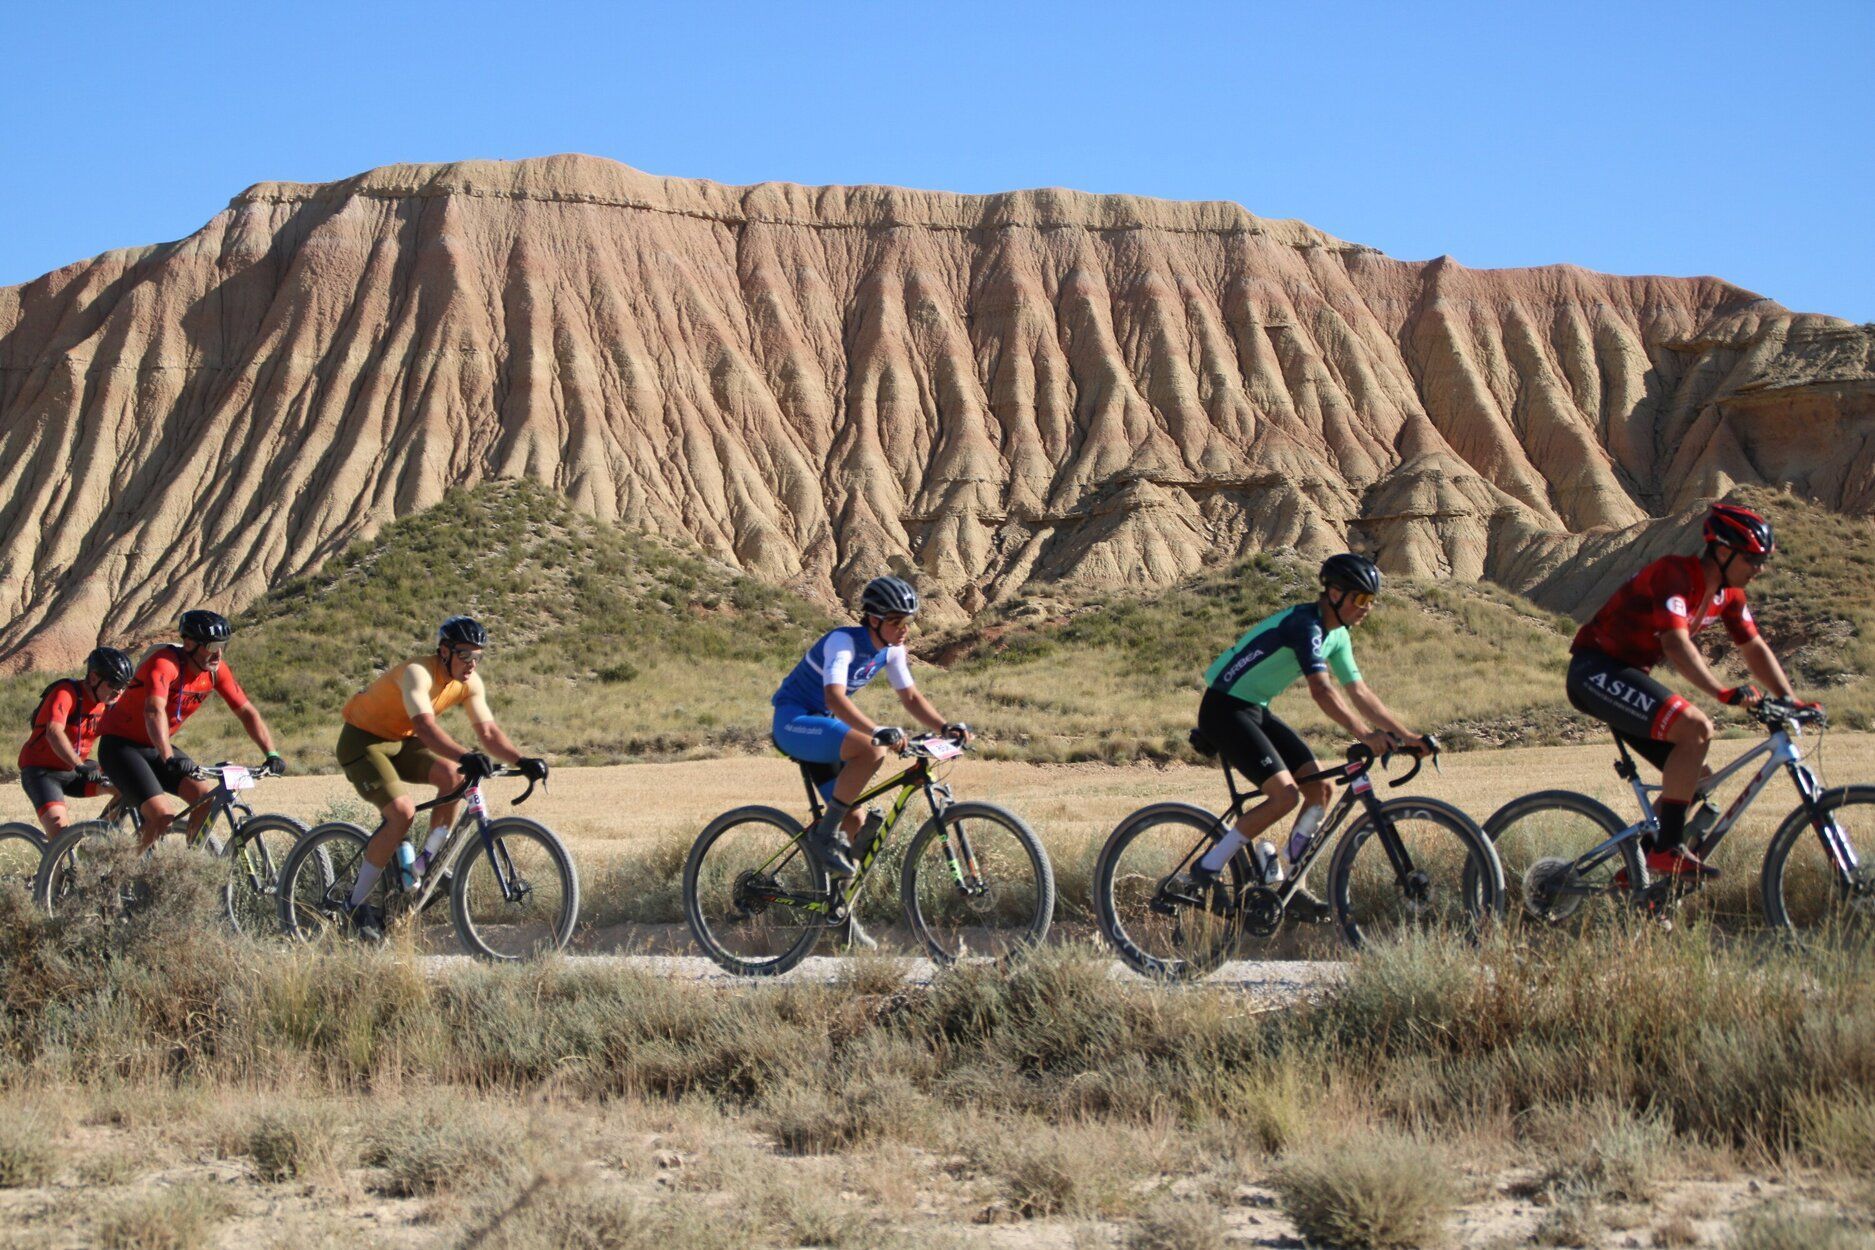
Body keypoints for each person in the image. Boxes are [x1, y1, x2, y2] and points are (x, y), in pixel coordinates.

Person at [1566, 502, 1805, 879]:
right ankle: (1668, 851)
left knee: (1696, 777)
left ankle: (1636, 873)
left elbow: (1754, 648)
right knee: (1696, 728)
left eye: (1763, 561)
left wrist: (1790, 700)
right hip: (1595, 669)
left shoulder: (1729, 596)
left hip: (1625, 674)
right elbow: (1676, 645)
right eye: (1753, 560)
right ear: (1723, 552)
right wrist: (1723, 692)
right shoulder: (1674, 574)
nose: (1760, 569)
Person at [1192, 553, 1429, 919]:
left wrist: (1407, 735)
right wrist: (1365, 734)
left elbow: (1360, 693)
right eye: (1360, 599)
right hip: (1224, 709)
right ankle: (1206, 870)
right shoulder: (1305, 625)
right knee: (1285, 796)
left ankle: (1290, 882)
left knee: (1320, 790)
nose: (1366, 608)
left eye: (1371, 601)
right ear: (1334, 593)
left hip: (1254, 707)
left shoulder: (1338, 636)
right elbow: (1322, 691)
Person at [335, 616, 548, 940]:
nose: (472, 664)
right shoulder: (418, 672)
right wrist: (466, 755)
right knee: (402, 813)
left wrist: (522, 760)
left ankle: (423, 864)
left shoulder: (469, 682)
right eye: (465, 655)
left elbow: (488, 732)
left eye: (478, 656)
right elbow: (424, 727)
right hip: (363, 740)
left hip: (402, 740)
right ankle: (354, 906)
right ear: (444, 651)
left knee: (452, 777)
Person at [771, 576, 970, 898]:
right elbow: (835, 698)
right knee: (872, 750)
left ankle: (839, 913)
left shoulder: (892, 651)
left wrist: (945, 728)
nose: (904, 628)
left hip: (824, 728)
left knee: (856, 822)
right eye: (896, 621)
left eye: (909, 621)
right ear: (873, 619)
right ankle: (824, 835)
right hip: (794, 721)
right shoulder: (843, 642)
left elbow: (911, 699)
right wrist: (877, 731)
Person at [96, 611, 284, 850]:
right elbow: (153, 711)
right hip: (120, 746)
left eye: (223, 645)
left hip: (155, 746)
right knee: (162, 816)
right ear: (190, 644)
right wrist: (168, 758)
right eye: (213, 646)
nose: (219, 653)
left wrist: (272, 754)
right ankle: (120, 871)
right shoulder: (165, 664)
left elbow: (246, 711)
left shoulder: (215, 672)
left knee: (204, 800)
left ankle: (189, 864)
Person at [17, 647, 133, 839]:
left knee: (129, 790)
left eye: (123, 686)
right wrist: (79, 765)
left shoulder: (108, 703)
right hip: (42, 772)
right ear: (94, 678)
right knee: (61, 838)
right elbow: (53, 732)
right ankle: (56, 868)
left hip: (75, 770)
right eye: (114, 685)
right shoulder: (66, 692)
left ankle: (97, 845)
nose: (118, 692)